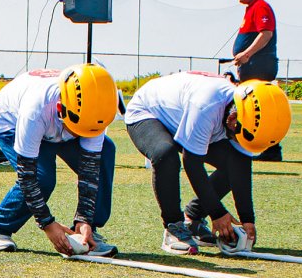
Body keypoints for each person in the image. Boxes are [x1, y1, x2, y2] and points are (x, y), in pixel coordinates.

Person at [125, 72, 291, 254]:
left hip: (184, 115)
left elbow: (241, 167)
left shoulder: (247, 116)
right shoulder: (206, 105)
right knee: (166, 154)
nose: (237, 138)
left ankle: (193, 219)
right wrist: (217, 213)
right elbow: (192, 163)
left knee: (233, 163)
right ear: (234, 117)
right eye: (236, 131)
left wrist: (247, 220)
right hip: (147, 111)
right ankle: (173, 227)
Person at [0, 65, 120, 257]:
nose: (78, 136)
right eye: (76, 129)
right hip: (11, 121)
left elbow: (91, 169)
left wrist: (85, 219)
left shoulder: (96, 109)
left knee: (104, 153)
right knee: (42, 178)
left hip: (54, 121)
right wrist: (48, 224)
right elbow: (27, 176)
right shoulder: (35, 110)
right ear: (61, 108)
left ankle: (86, 232)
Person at [230, 0, 283, 161]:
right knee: (254, 107)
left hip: (259, 64)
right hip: (253, 64)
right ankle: (262, 147)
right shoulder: (252, 8)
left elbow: (266, 34)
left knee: (261, 107)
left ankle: (270, 149)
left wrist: (246, 54)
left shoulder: (261, 6)